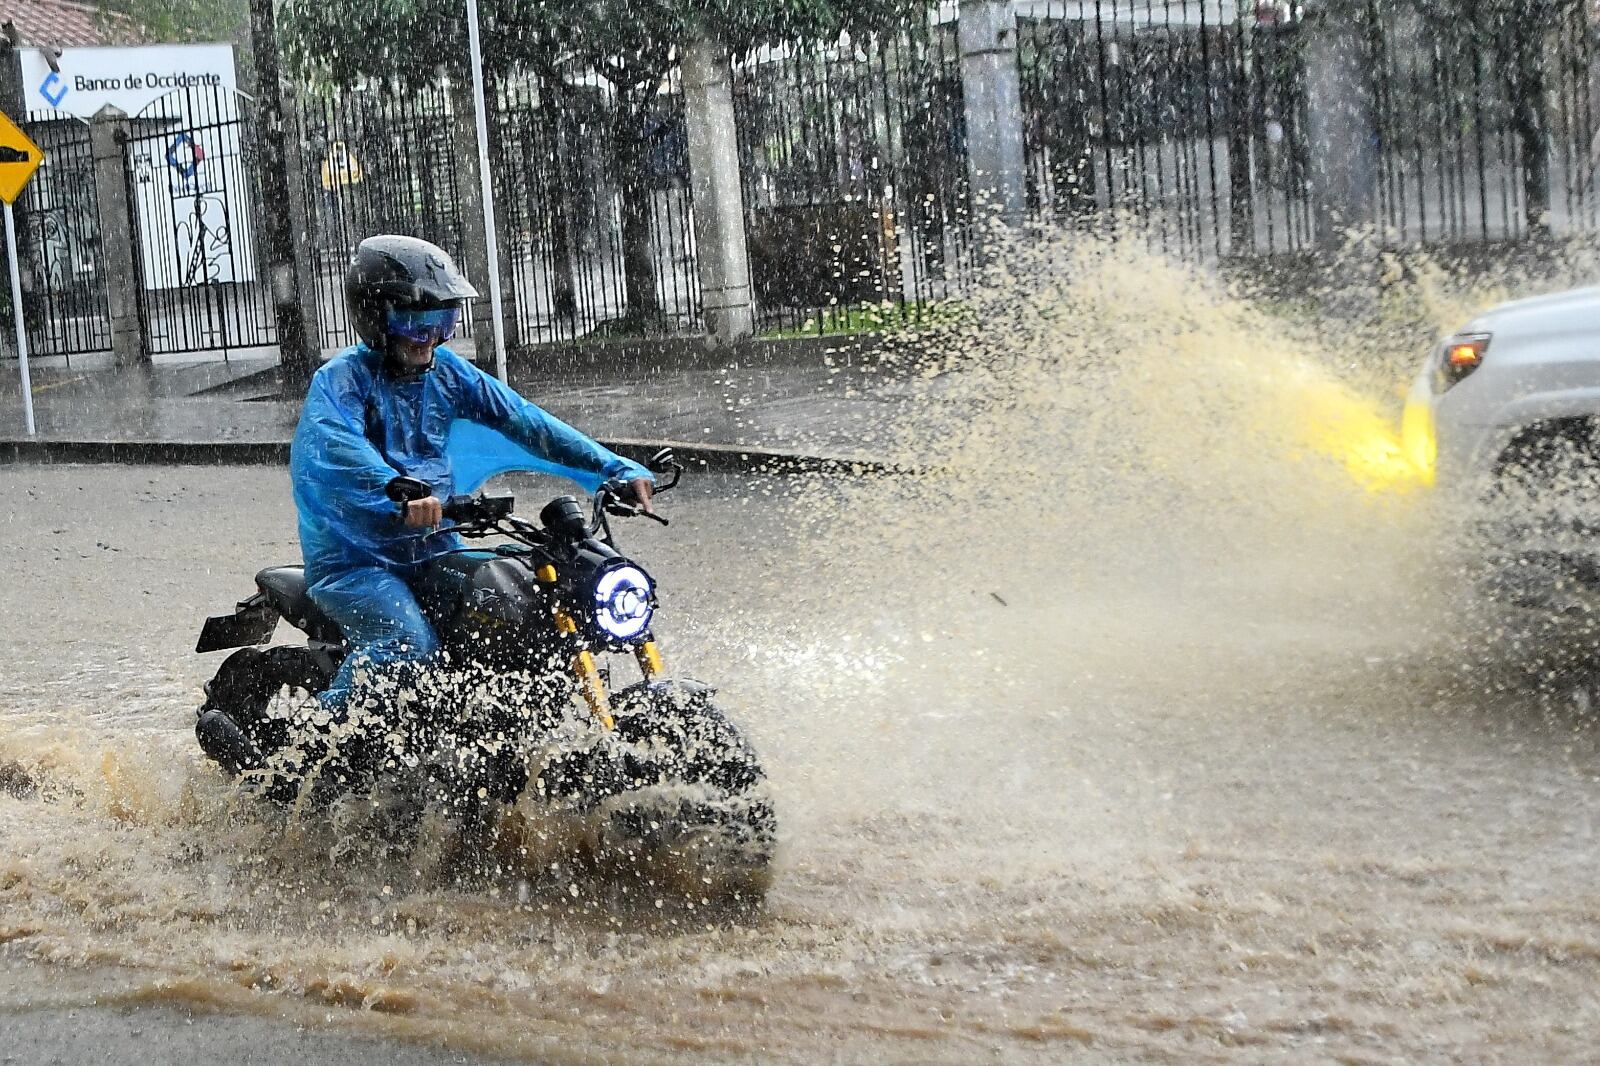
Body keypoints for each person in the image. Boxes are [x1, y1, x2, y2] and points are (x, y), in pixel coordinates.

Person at [289, 234, 653, 743]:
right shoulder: (341, 381)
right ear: (374, 317)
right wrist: (395, 490)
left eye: (442, 320)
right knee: (405, 648)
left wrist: (612, 467)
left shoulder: (450, 374)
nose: (428, 336)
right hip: (357, 561)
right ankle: (310, 745)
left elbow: (527, 421)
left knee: (529, 599)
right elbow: (337, 448)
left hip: (435, 546)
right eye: (414, 320)